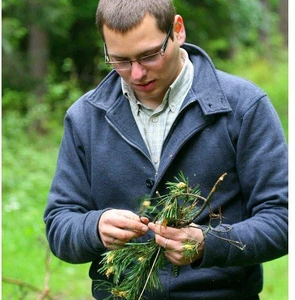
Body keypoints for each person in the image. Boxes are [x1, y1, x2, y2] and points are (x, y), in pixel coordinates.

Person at [44, 0, 288, 299]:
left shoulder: (243, 107)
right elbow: (59, 225)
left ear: (178, 30)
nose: (136, 74)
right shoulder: (85, 117)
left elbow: (282, 219)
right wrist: (94, 228)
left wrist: (206, 244)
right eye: (119, 60)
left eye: (148, 56)